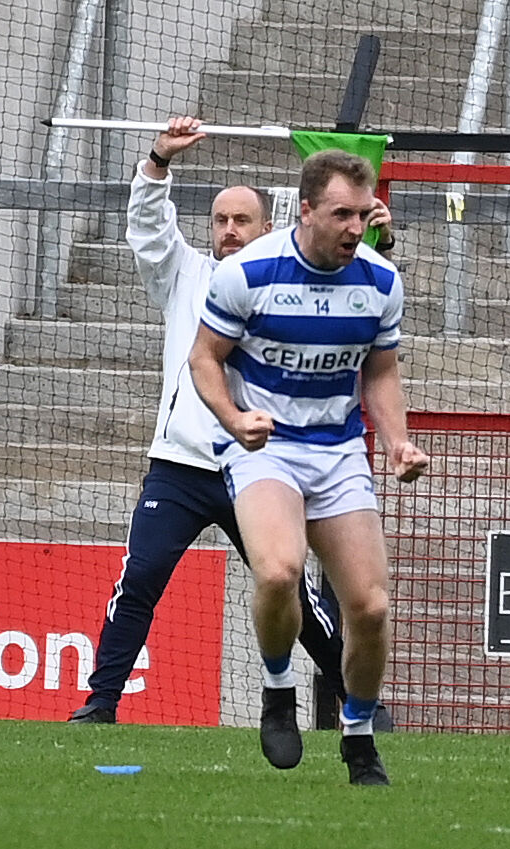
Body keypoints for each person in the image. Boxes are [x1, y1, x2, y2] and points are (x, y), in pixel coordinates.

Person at [68, 117, 396, 728]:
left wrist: (378, 241)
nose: (228, 231)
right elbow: (147, 231)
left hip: (263, 463)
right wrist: (157, 162)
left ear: (268, 225)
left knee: (291, 591)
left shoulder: (288, 276)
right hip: (184, 464)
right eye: (219, 220)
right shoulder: (185, 276)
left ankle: (365, 709)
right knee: (138, 578)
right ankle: (100, 703)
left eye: (241, 220)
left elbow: (355, 298)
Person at [188, 148, 429, 785]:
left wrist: (398, 442)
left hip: (339, 450)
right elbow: (204, 360)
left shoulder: (379, 281)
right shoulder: (248, 273)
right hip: (267, 448)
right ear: (306, 211)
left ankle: (357, 736)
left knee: (371, 608)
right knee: (277, 571)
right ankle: (277, 690)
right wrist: (235, 421)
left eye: (361, 213)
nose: (356, 226)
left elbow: (380, 371)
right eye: (341, 214)